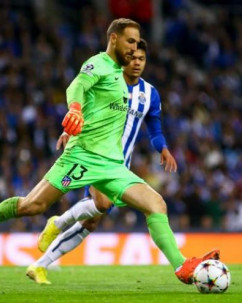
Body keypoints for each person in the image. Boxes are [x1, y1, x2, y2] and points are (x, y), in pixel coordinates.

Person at [0, 18, 219, 284]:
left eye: (138, 47)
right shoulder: (98, 63)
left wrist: (160, 145)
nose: (134, 50)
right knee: (31, 206)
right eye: (130, 42)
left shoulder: (130, 81)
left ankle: (181, 267)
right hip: (82, 156)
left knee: (156, 204)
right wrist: (74, 109)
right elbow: (77, 86)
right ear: (114, 39)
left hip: (113, 165)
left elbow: (106, 109)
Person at [26, 39, 179, 284]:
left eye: (142, 59)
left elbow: (154, 128)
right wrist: (70, 129)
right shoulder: (107, 80)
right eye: (133, 58)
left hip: (120, 165)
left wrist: (163, 148)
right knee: (102, 203)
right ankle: (52, 237)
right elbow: (84, 104)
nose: (137, 63)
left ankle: (43, 256)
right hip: (95, 155)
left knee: (94, 219)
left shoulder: (150, 94)